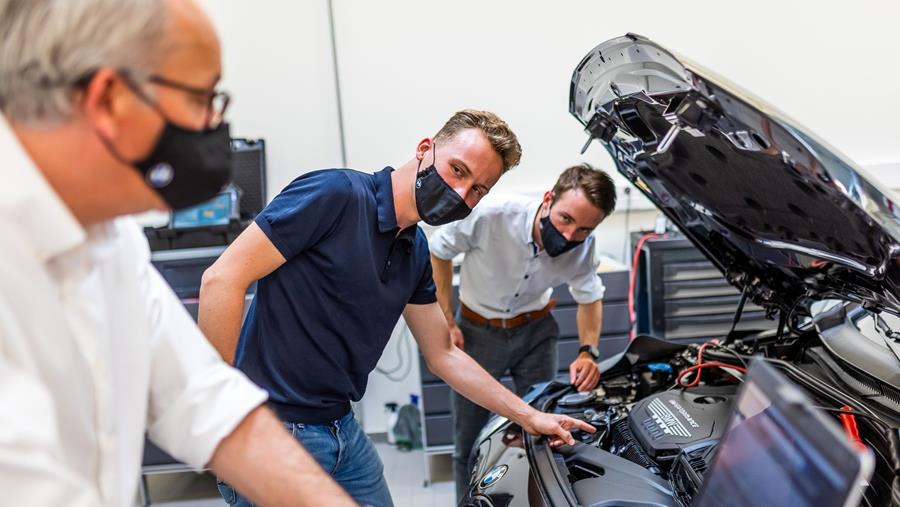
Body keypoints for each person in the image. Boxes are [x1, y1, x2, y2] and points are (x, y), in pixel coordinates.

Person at [0, 0, 356, 505]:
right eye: (203, 98)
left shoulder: (112, 238)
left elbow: (202, 397)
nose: (214, 123)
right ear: (109, 99)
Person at [199, 110, 597, 506]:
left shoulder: (415, 249)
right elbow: (222, 280)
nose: (461, 194)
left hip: (341, 427)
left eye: (478, 189)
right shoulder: (335, 195)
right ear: (425, 149)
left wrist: (529, 416)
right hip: (275, 429)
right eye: (457, 170)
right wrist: (227, 415)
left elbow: (443, 354)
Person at [429, 163, 617, 499]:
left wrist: (589, 352)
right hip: (476, 333)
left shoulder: (583, 247)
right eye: (566, 219)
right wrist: (446, 318)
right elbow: (439, 250)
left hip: (535, 333)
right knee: (468, 439)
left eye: (584, 230)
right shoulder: (492, 215)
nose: (571, 236)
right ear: (548, 200)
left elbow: (590, 297)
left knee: (538, 433)